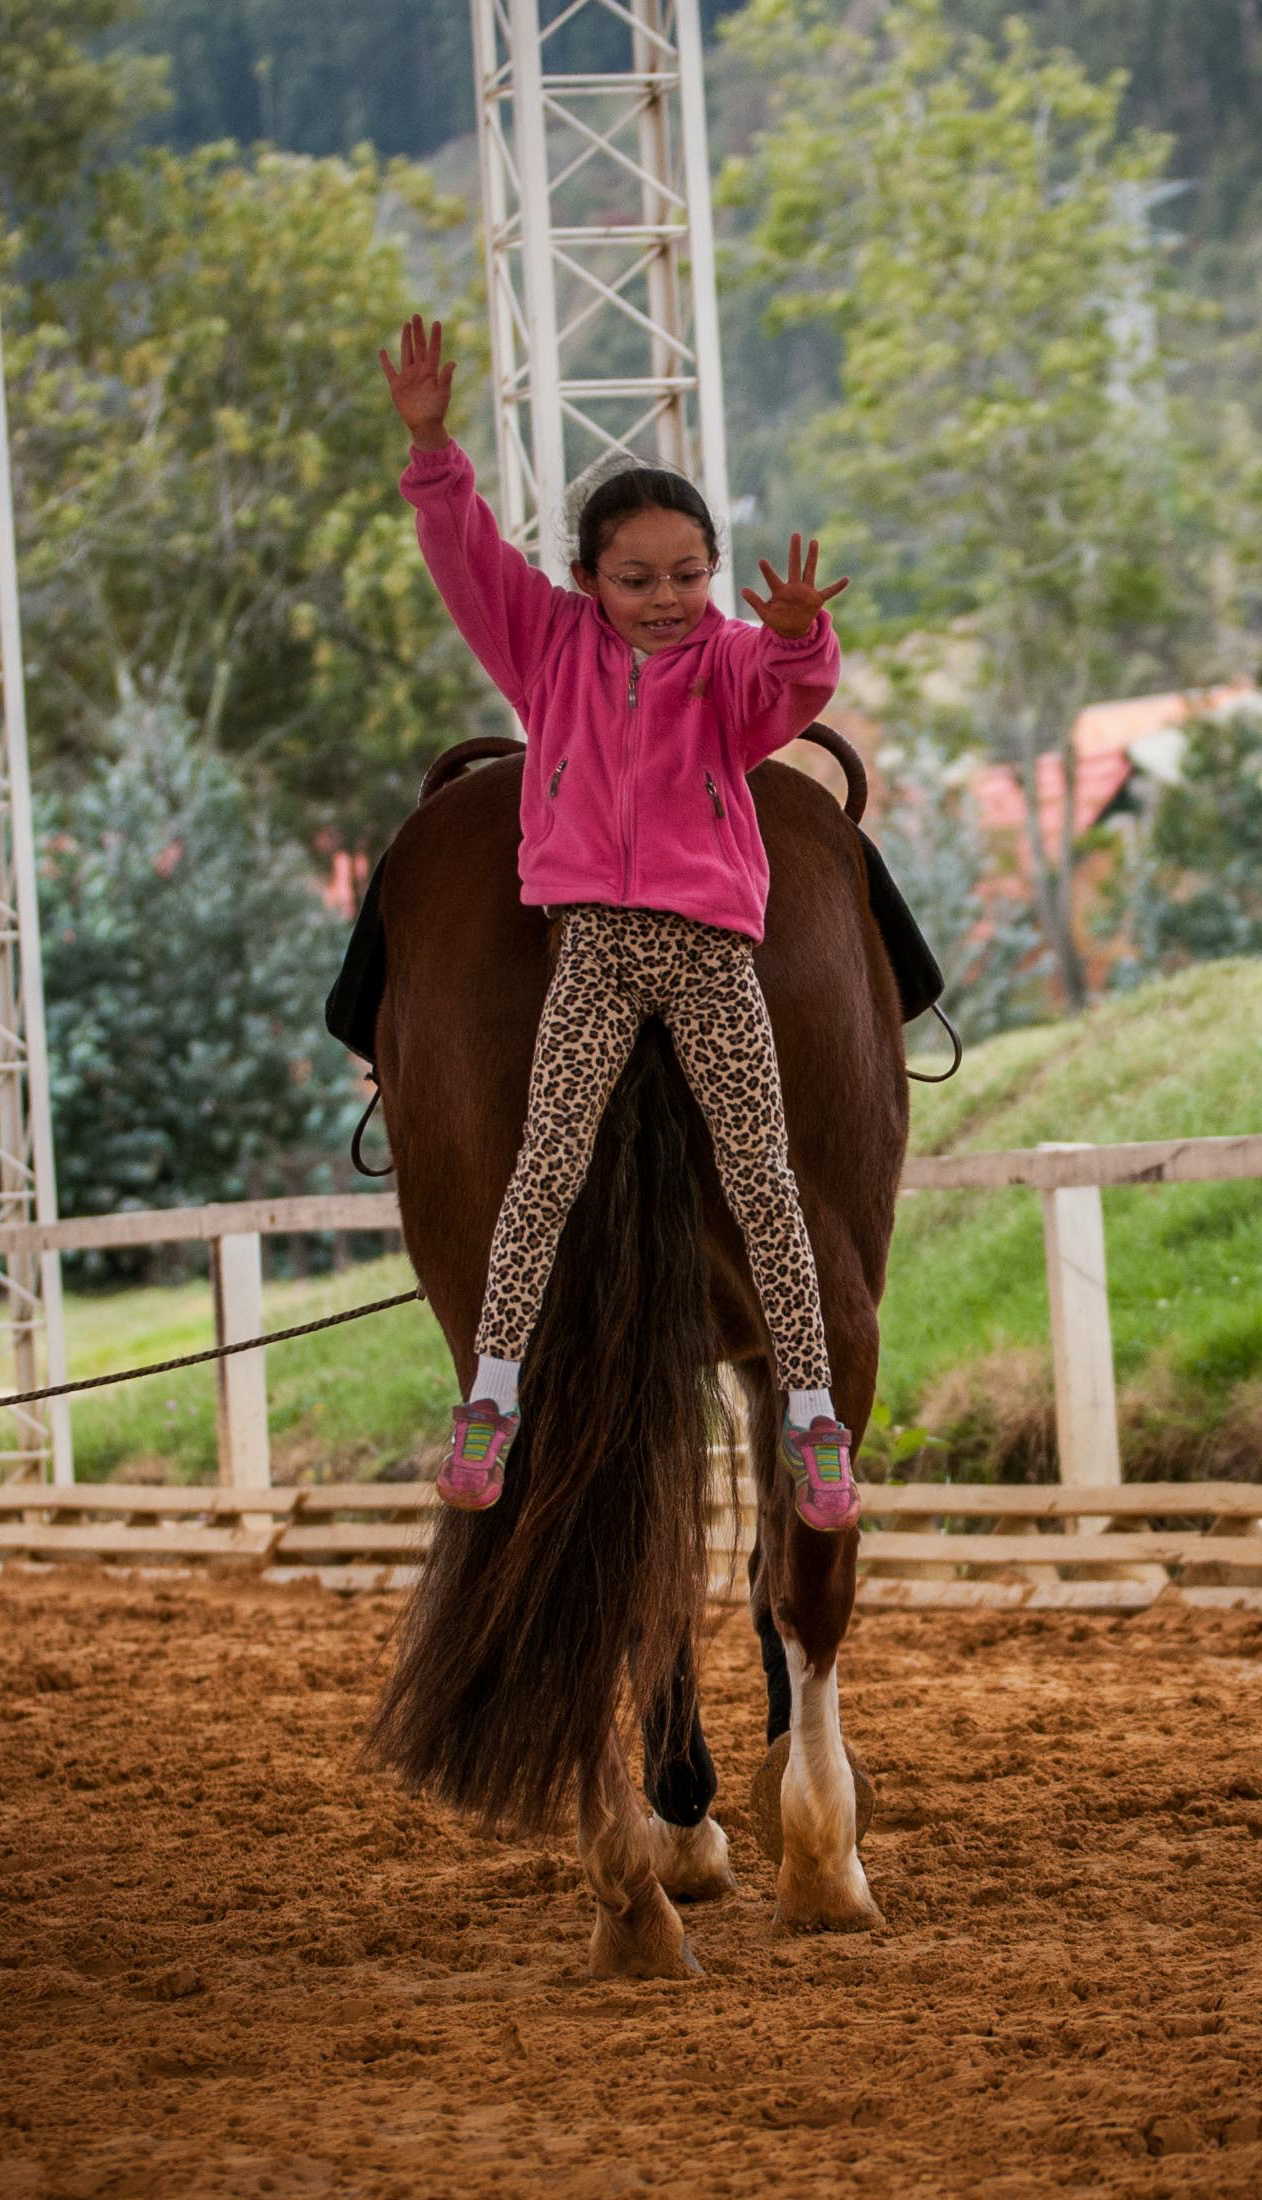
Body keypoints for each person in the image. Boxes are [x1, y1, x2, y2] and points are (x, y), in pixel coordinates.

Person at [380, 312, 860, 1533]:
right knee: (543, 1168)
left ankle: (812, 1421)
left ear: (714, 572)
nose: (665, 599)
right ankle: (492, 1401)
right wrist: (433, 449)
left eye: (689, 575)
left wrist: (798, 634)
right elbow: (466, 558)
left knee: (765, 1178)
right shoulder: (544, 644)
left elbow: (791, 690)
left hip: (710, 951)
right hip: (592, 945)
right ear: (588, 577)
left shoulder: (730, 663)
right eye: (636, 579)